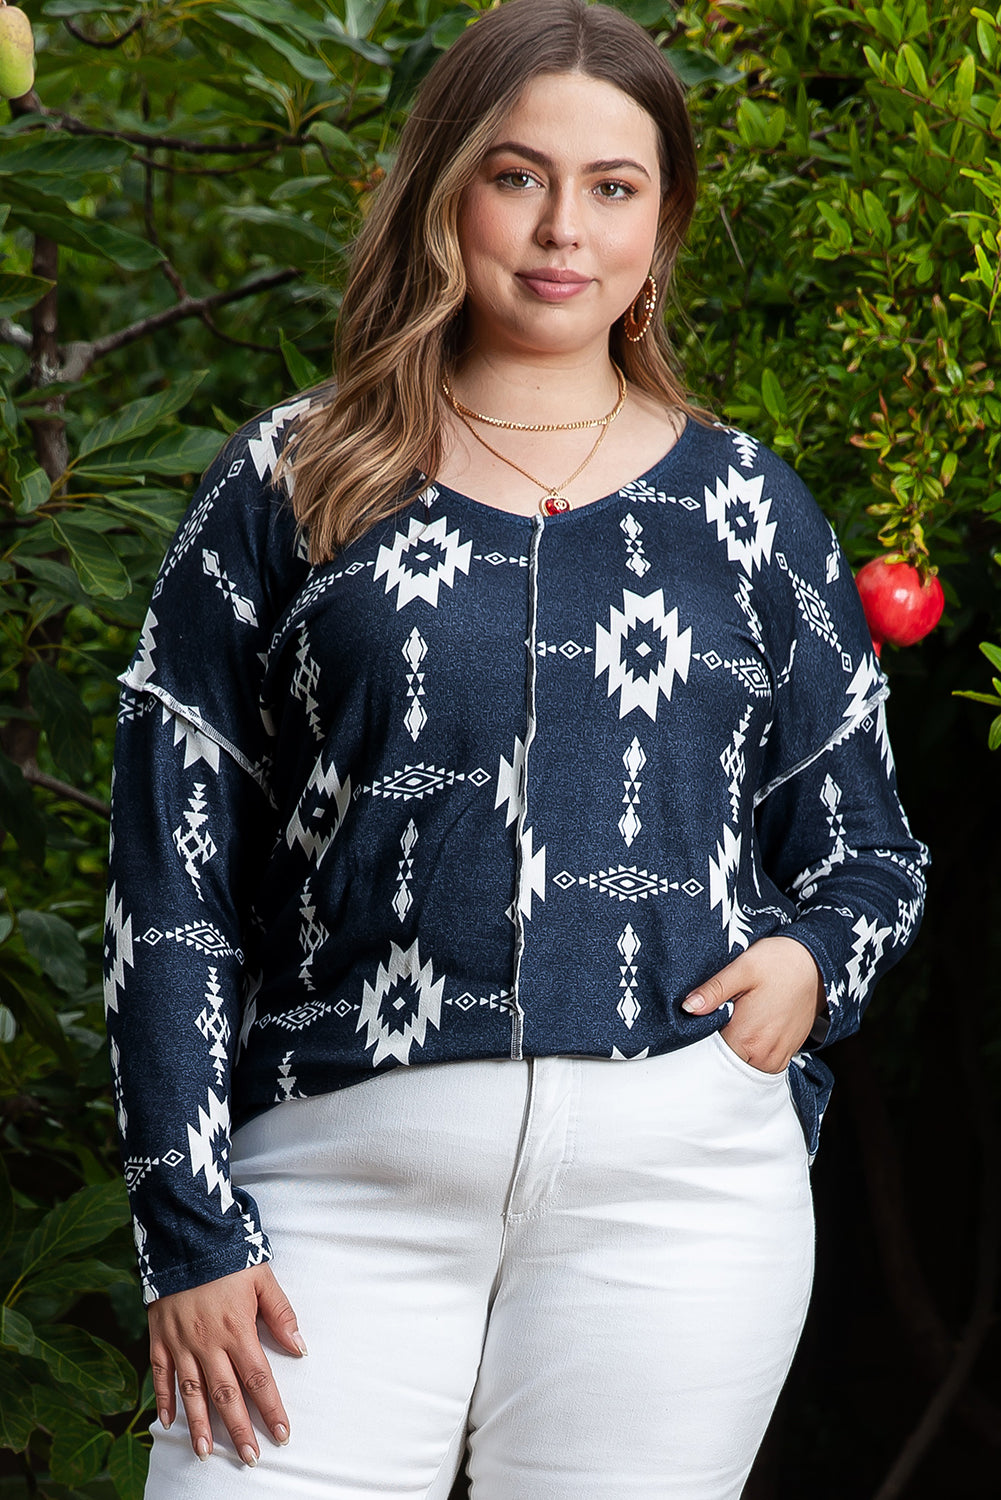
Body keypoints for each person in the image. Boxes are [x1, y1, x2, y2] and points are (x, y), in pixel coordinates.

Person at [103, 2, 928, 1496]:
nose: (562, 229)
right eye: (515, 175)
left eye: (612, 186)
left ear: (662, 221)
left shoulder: (747, 511)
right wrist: (188, 1227)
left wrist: (810, 969)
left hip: (678, 1197)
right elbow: (169, 885)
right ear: (442, 194)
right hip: (332, 1196)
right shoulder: (290, 482)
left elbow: (867, 850)